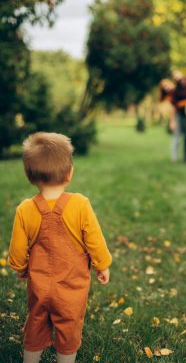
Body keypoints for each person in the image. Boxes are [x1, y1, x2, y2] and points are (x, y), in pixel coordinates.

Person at [8, 132, 112, 363]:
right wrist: (102, 265)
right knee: (69, 327)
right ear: (69, 173)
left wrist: (21, 267)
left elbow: (16, 251)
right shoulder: (80, 205)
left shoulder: (25, 209)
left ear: (29, 175)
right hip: (71, 289)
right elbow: (95, 240)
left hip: (39, 286)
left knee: (36, 322)